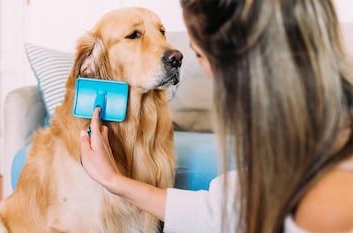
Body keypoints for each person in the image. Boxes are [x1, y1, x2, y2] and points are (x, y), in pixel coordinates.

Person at [79, 0, 353, 232]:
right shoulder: (298, 155)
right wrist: (115, 181)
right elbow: (221, 212)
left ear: (242, 64)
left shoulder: (328, 203)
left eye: (199, 55)